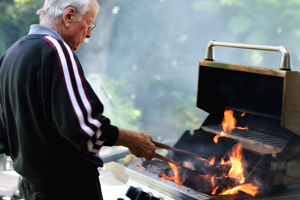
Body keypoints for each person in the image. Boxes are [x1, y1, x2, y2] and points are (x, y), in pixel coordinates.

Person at [0, 0, 156, 199]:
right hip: (69, 190)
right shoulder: (56, 50)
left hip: (32, 189)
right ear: (69, 16)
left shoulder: (10, 54)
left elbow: (3, 133)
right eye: (89, 24)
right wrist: (131, 139)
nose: (89, 34)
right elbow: (84, 130)